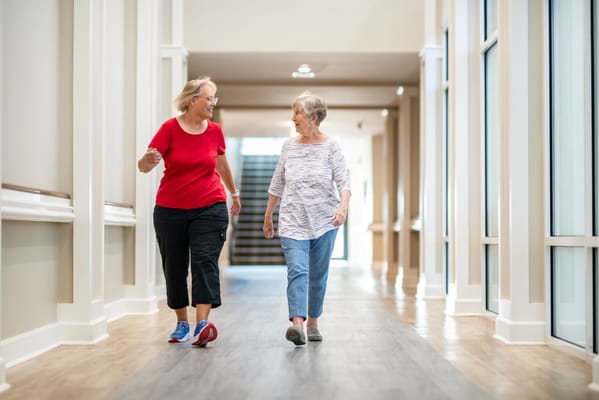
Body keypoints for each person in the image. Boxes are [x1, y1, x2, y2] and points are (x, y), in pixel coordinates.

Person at [137, 76, 241, 347]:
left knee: (205, 261)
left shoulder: (215, 130)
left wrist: (234, 192)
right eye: (210, 98)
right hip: (171, 208)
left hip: (210, 205)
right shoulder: (170, 128)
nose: (213, 104)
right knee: (174, 265)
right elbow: (146, 164)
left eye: (214, 99)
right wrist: (145, 161)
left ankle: (202, 323)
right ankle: (182, 322)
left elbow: (221, 163)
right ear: (193, 100)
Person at [263, 92, 351, 346]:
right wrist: (269, 216)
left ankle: (313, 321)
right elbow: (277, 182)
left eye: (298, 113)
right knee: (297, 271)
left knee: (318, 274)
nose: (293, 118)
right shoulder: (289, 146)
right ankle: (297, 324)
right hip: (292, 221)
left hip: (325, 221)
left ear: (314, 117)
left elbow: (344, 182)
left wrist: (342, 208)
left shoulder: (331, 146)